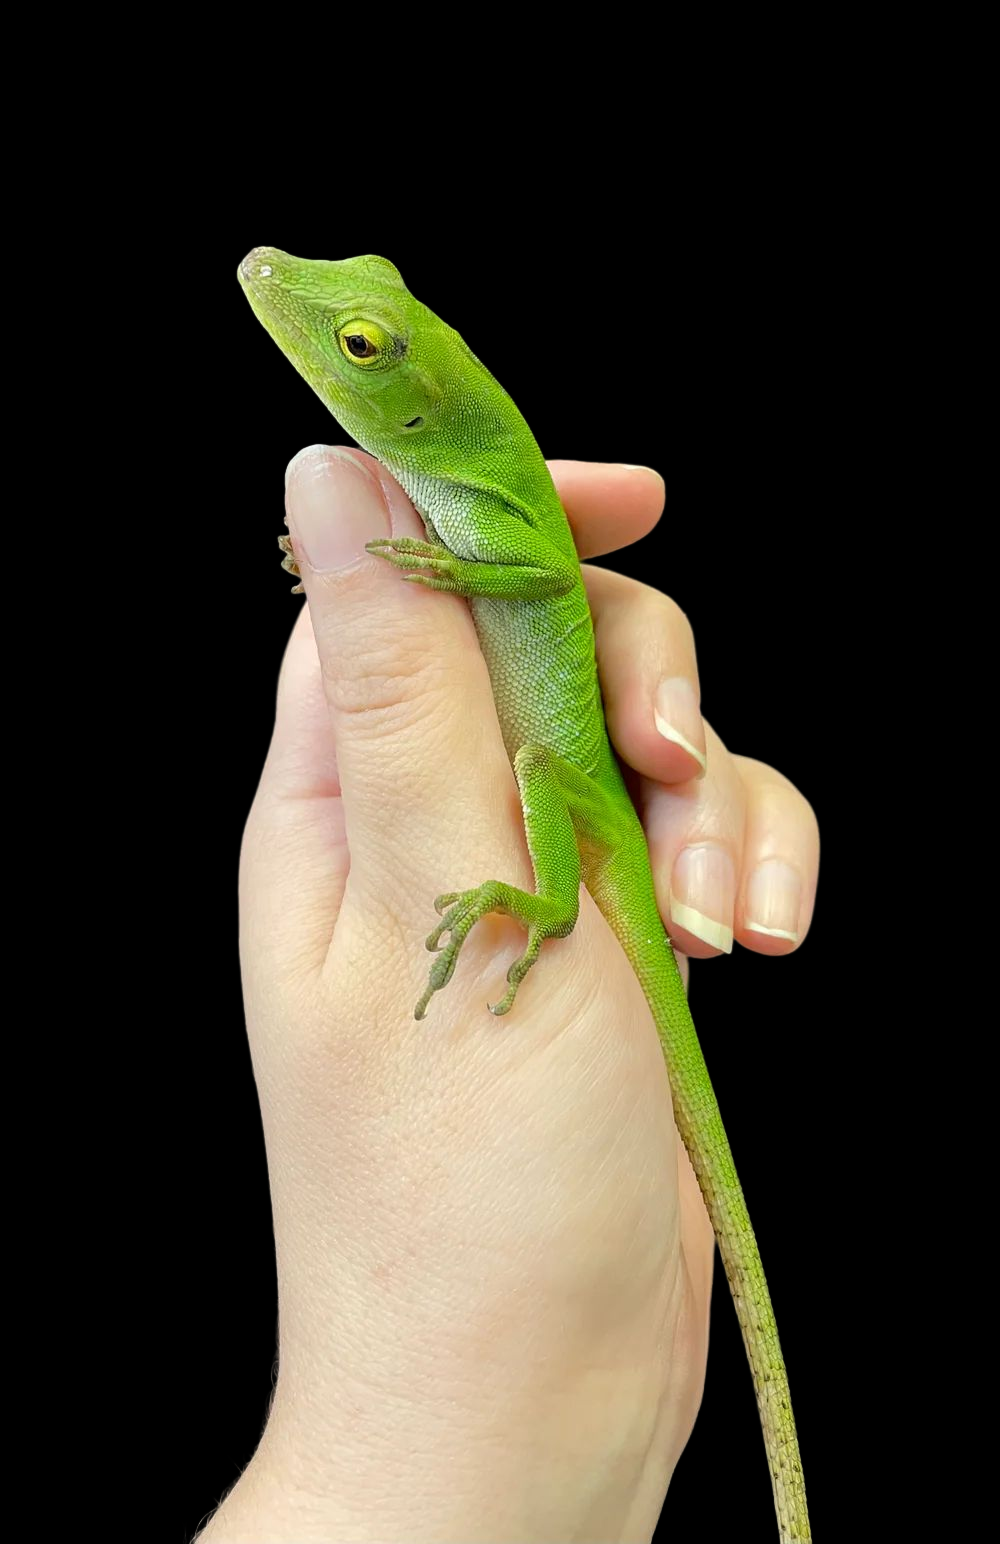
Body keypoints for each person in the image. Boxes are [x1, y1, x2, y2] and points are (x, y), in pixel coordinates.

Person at [197, 448, 819, 1542]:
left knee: (536, 761)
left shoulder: (472, 518)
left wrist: (542, 901)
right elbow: (526, 582)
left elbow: (535, 579)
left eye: (360, 347)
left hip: (574, 823)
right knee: (536, 737)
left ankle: (547, 906)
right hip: (580, 791)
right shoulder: (458, 509)